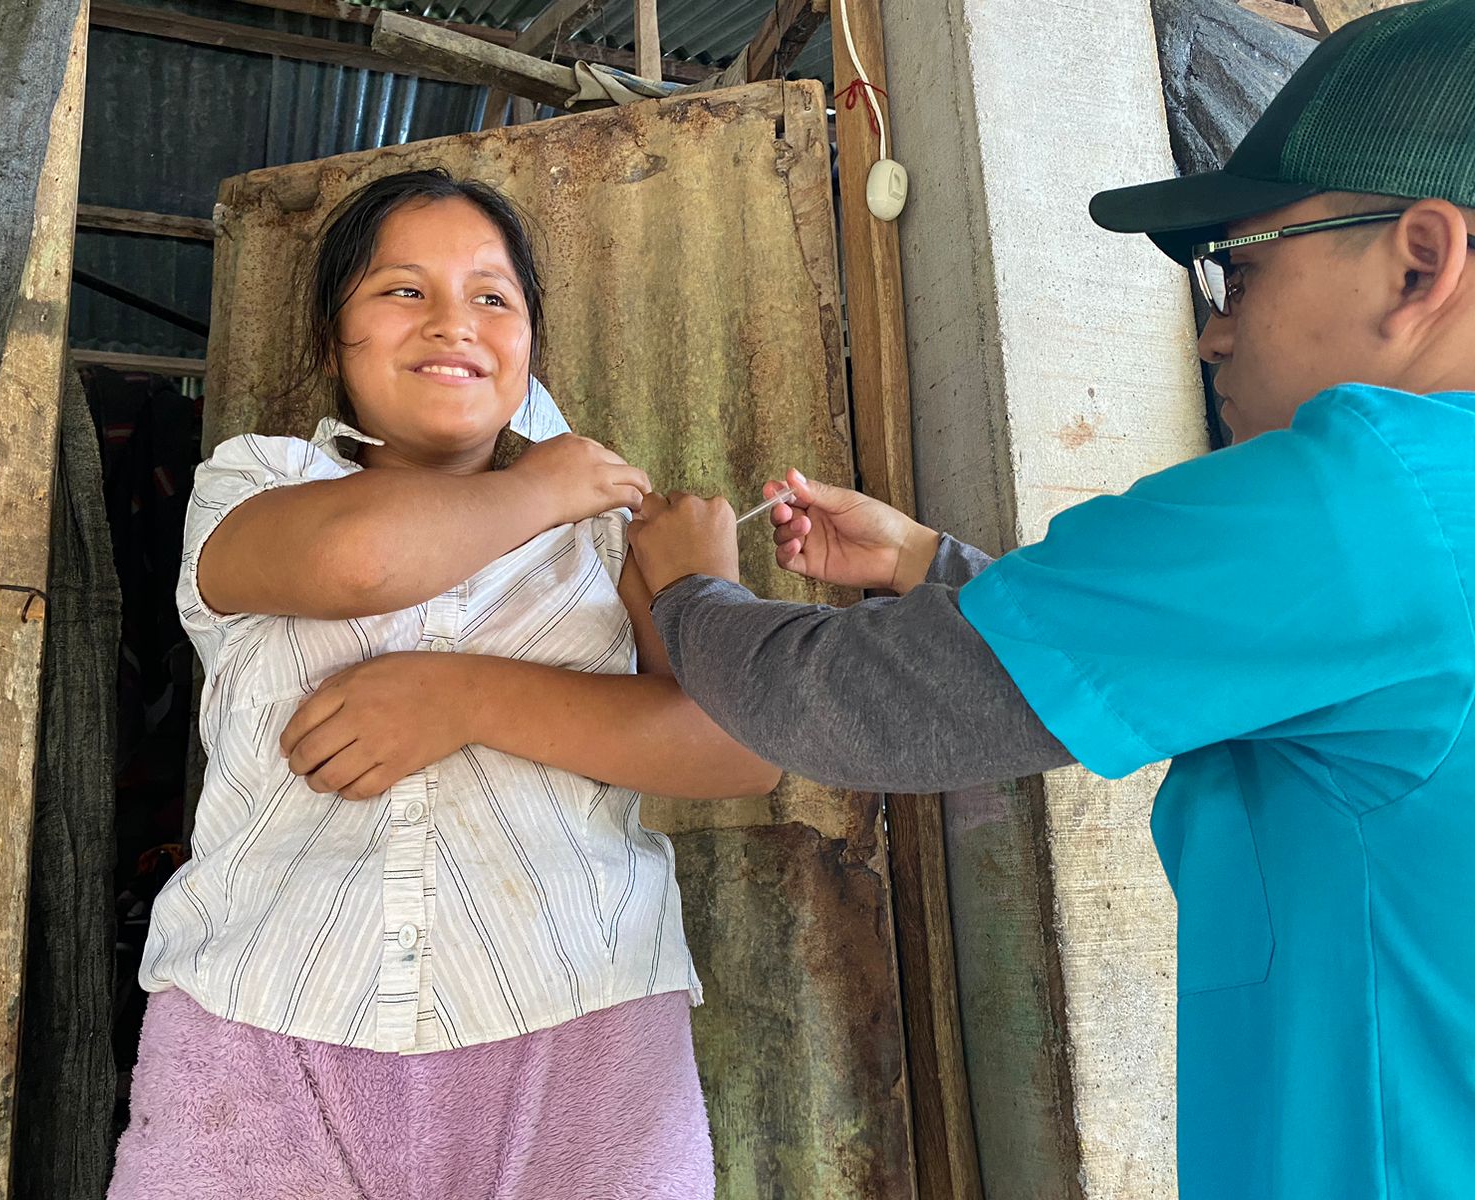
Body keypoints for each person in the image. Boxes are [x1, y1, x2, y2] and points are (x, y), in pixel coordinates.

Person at [626, 3, 1475, 1198]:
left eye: (1240, 268)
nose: (1213, 335)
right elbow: (1291, 675)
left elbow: (848, 704)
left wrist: (683, 589)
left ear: (1420, 262)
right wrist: (938, 569)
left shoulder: (1364, 492)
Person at [107, 169, 779, 1200]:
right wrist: (540, 483)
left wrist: (461, 697)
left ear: (528, 350)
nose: (452, 322)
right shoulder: (256, 482)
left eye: (491, 296)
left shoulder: (608, 536)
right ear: (335, 337)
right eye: (402, 291)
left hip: (577, 1016)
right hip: (264, 1019)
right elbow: (357, 564)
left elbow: (735, 751)